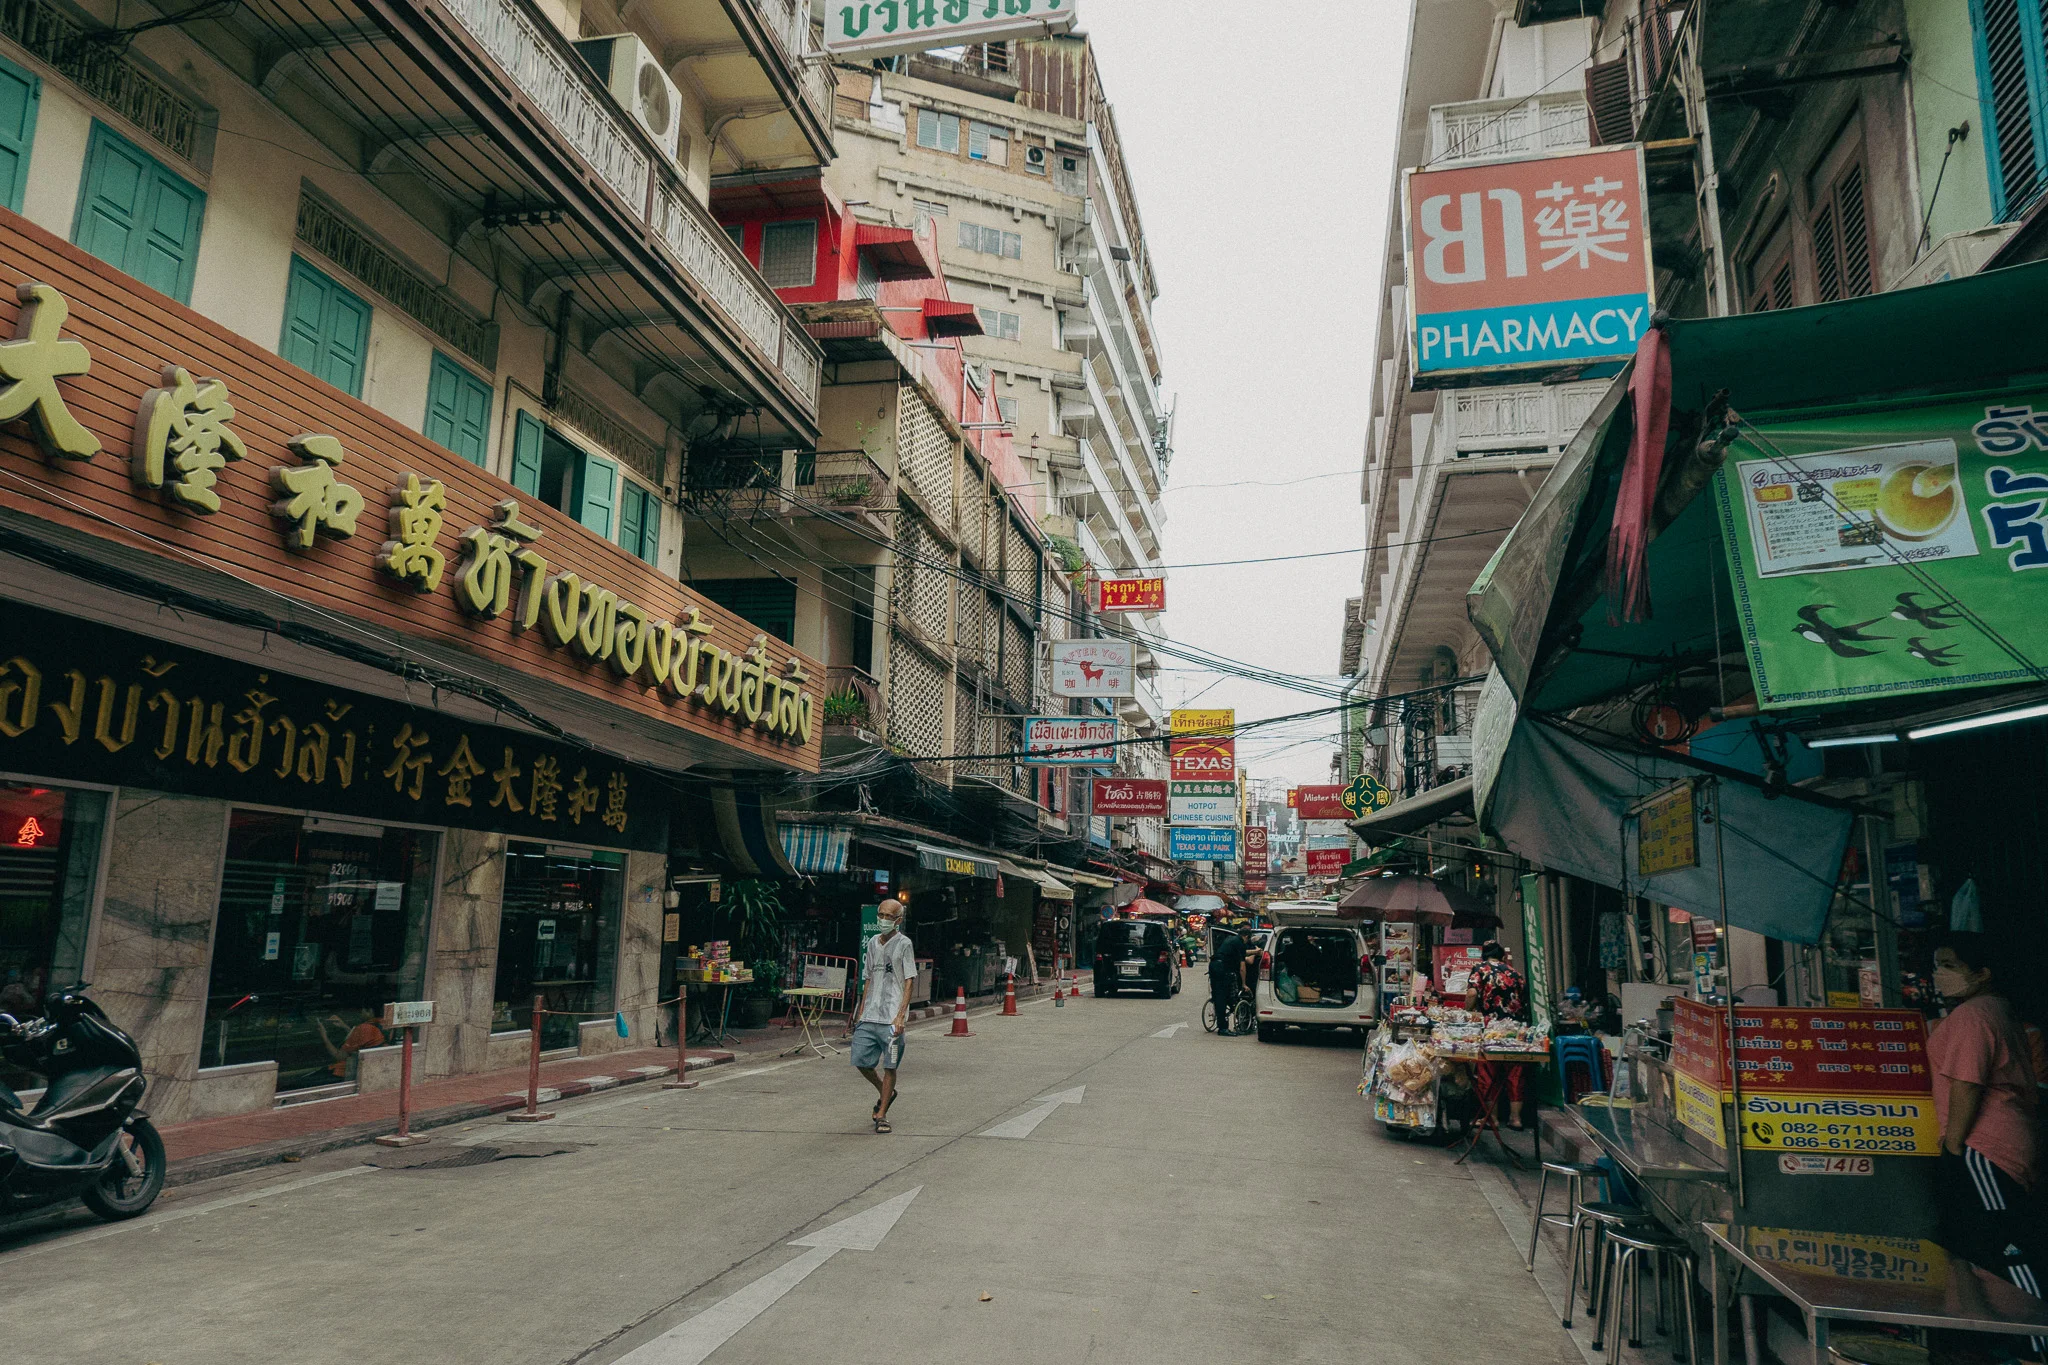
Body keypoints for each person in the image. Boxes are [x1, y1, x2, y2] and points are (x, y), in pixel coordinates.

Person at [1927, 932, 2043, 1330]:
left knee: (2005, 1250)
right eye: (1938, 964)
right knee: (1982, 1247)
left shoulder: (1975, 1015)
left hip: (1984, 1147)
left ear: (1983, 973)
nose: (1939, 974)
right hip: (1997, 1142)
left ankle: (2035, 1341)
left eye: (1950, 966)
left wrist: (1956, 1147)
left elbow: (1966, 1083)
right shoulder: (1995, 1010)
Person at [848, 899, 915, 1134]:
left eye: (888, 916)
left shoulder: (904, 944)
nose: (883, 919)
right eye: (881, 914)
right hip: (870, 1015)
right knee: (860, 1060)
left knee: (890, 1065)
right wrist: (860, 1010)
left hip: (891, 1020)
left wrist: (900, 1016)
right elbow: (868, 979)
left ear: (898, 920)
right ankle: (886, 1091)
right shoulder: (872, 945)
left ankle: (882, 1114)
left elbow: (909, 980)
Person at [1466, 940, 1531, 1130]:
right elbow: (1525, 999)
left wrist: (1467, 1012)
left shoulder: (1481, 969)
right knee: (1515, 1073)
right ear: (1502, 955)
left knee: (1487, 1071)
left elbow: (1471, 993)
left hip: (1491, 1028)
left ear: (1484, 955)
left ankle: (1491, 1118)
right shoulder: (1515, 973)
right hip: (1515, 1030)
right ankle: (1515, 1118)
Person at [317, 1004, 385, 1080]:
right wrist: (344, 1026)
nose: (360, 1014)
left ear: (370, 1011)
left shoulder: (364, 1028)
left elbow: (339, 1056)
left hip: (345, 1072)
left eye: (361, 1011)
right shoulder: (383, 1024)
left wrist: (324, 1036)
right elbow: (361, 1040)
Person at [1208, 927, 1250, 1035]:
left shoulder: (1230, 939)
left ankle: (1220, 1019)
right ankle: (1223, 1028)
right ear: (1245, 937)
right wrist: (1244, 984)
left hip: (1213, 965)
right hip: (1222, 968)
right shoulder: (1240, 943)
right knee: (1223, 995)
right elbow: (1242, 967)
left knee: (1217, 994)